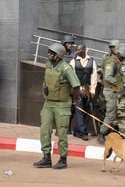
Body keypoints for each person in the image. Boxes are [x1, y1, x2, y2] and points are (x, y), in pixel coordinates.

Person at [33, 42, 80, 170]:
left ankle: (63, 159)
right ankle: (46, 158)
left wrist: (74, 101)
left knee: (62, 133)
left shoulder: (66, 68)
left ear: (58, 55)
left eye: (52, 53)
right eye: (49, 52)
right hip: (48, 103)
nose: (49, 55)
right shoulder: (48, 66)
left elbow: (76, 85)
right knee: (44, 130)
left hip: (62, 105)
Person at [70, 43, 97, 140]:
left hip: (88, 90)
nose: (77, 51)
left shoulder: (92, 61)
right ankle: (83, 132)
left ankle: (77, 131)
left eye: (79, 50)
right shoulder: (73, 61)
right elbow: (71, 76)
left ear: (84, 50)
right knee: (79, 110)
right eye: (76, 50)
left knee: (85, 111)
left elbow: (94, 76)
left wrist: (92, 91)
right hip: (78, 90)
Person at [97, 40, 121, 143]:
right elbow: (107, 76)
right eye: (111, 47)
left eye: (113, 47)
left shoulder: (111, 58)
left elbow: (100, 69)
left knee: (115, 113)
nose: (112, 49)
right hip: (111, 90)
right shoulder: (110, 60)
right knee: (111, 114)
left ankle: (111, 133)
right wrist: (120, 83)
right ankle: (102, 133)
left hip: (113, 90)